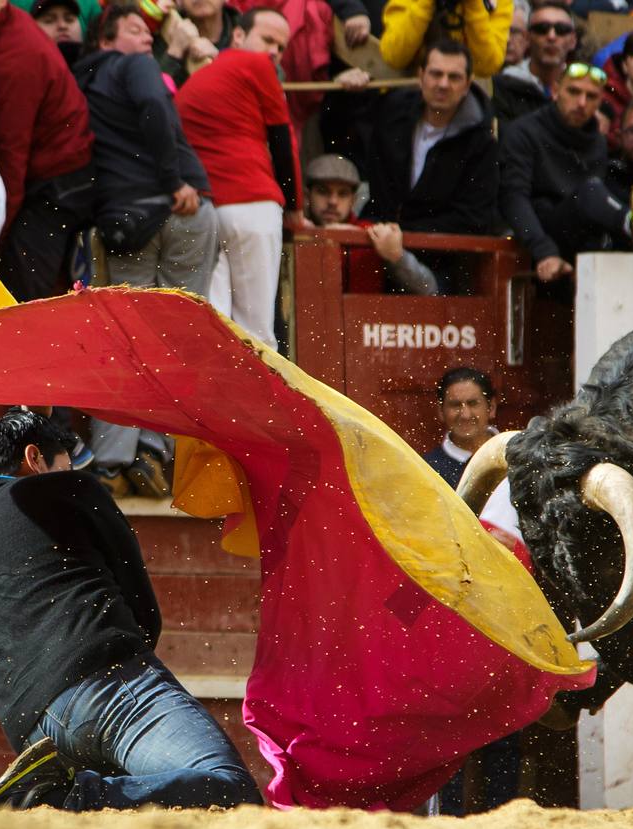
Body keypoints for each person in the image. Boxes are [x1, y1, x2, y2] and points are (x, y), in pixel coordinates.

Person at [0, 410, 263, 811]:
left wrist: (21, 414)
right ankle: (64, 797)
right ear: (34, 458)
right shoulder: (64, 490)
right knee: (231, 792)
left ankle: (60, 794)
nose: (70, 472)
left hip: (32, 729)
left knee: (128, 814)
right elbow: (143, 611)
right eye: (63, 463)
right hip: (113, 688)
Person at [76, 3, 215, 496]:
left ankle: (111, 461)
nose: (146, 41)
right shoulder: (135, 65)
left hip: (121, 216)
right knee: (171, 332)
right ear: (107, 39)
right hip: (177, 207)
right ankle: (153, 450)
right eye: (136, 30)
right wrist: (174, 178)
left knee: (124, 337)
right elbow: (155, 107)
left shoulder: (85, 80)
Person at [420, 366, 526, 815]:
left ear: (492, 407)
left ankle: (503, 819)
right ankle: (450, 823)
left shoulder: (523, 463)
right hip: (451, 614)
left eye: (473, 404)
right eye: (454, 405)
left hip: (510, 611)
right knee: (449, 729)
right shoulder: (427, 469)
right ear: (442, 411)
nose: (464, 414)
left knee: (506, 724)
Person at [175, 6, 298, 351]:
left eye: (282, 47)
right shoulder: (260, 68)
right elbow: (282, 142)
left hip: (209, 212)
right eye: (268, 40)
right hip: (254, 206)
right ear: (239, 36)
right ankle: (260, 407)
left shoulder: (193, 84)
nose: (274, 52)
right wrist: (295, 205)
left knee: (217, 325)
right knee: (257, 332)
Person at [0, 0, 95, 303]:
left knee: (17, 298)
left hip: (57, 184)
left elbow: (11, 157)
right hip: (50, 175)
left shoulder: (15, 58)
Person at [500, 62, 633, 282]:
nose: (581, 103)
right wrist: (544, 251)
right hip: (539, 236)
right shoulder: (523, 132)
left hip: (584, 238)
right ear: (555, 91)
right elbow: (514, 198)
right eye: (574, 92)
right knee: (591, 191)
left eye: (591, 97)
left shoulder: (596, 141)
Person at [362, 39, 497, 236]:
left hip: (439, 254)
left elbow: (473, 218)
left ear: (468, 84)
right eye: (436, 74)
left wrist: (403, 233)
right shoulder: (392, 114)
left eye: (454, 77)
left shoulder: (481, 142)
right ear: (421, 76)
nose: (443, 84)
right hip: (380, 236)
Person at [304, 154, 438, 294]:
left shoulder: (372, 233)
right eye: (323, 191)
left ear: (353, 200)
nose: (333, 201)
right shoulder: (292, 231)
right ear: (307, 196)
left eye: (342, 194)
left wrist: (397, 257)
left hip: (364, 315)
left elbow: (429, 289)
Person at [491, 1, 575, 124]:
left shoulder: (582, 87)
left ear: (573, 40)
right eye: (542, 29)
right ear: (527, 37)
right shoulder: (503, 84)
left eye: (561, 30)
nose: (551, 36)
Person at [378, 0, 512, 77]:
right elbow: (394, 56)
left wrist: (474, 4)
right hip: (412, 96)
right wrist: (426, 4)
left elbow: (488, 67)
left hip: (468, 96)